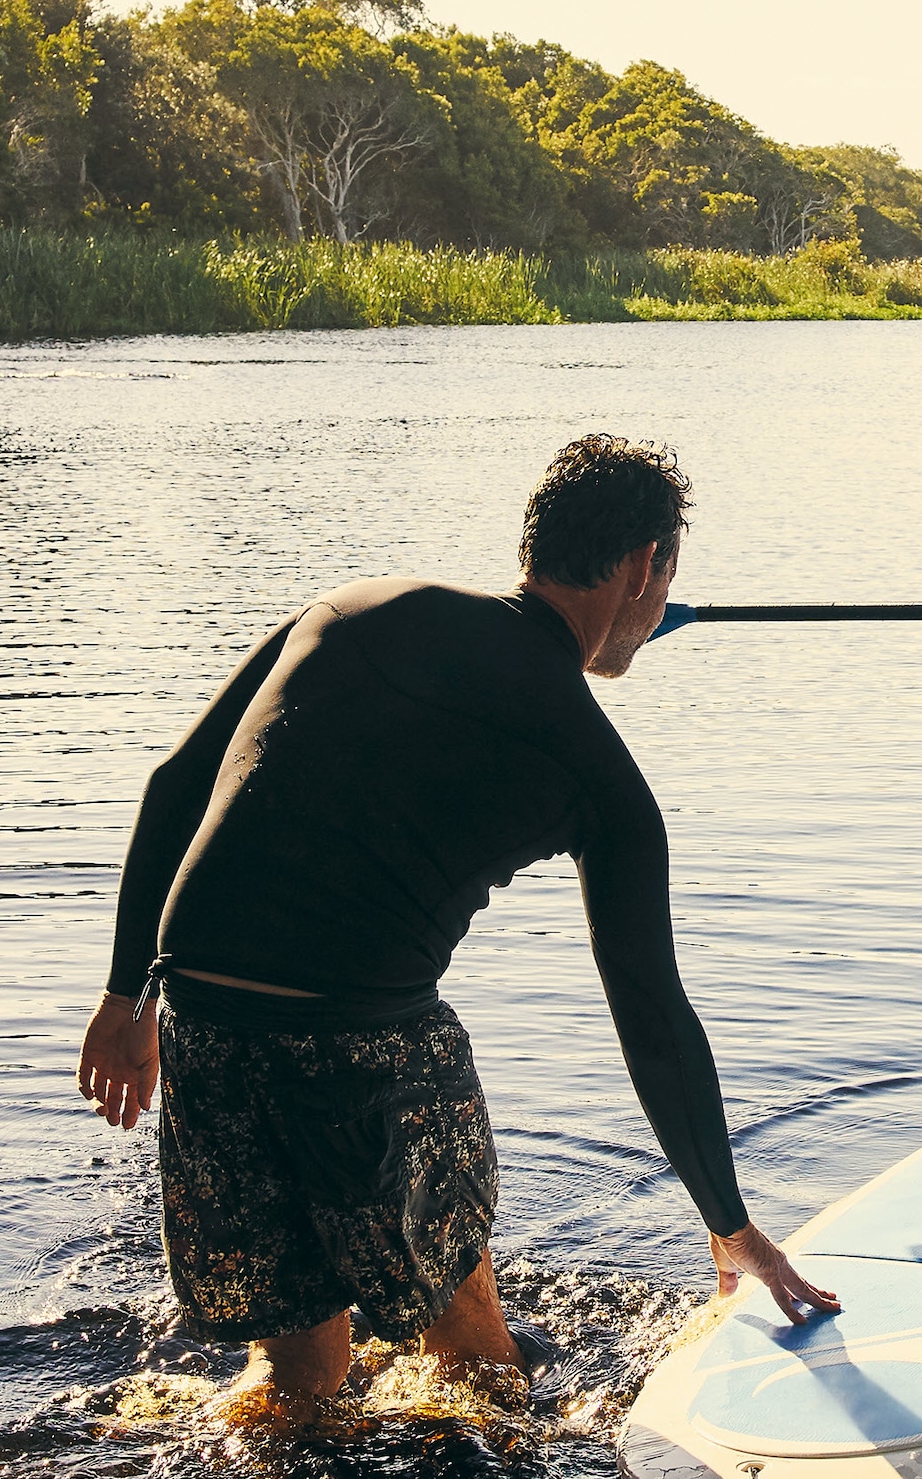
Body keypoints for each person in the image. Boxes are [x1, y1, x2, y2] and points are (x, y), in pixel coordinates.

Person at [78, 434, 842, 1400]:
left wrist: (124, 996)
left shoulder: (353, 607)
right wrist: (731, 1227)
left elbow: (176, 783)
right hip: (360, 1039)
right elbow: (651, 1014)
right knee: (475, 1354)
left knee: (297, 1375)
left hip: (203, 1020)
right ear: (649, 567)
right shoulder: (598, 773)